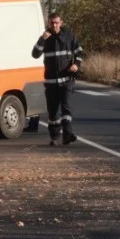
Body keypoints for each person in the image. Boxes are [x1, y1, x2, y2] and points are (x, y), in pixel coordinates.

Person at [32, 12, 83, 146]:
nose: (54, 25)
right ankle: (54, 136)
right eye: (52, 23)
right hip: (51, 83)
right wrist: (42, 39)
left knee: (66, 108)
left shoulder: (69, 36)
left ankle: (67, 134)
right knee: (53, 112)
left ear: (61, 23)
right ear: (48, 23)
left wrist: (76, 65)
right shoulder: (45, 38)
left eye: (56, 22)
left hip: (67, 80)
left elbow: (79, 52)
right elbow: (35, 54)